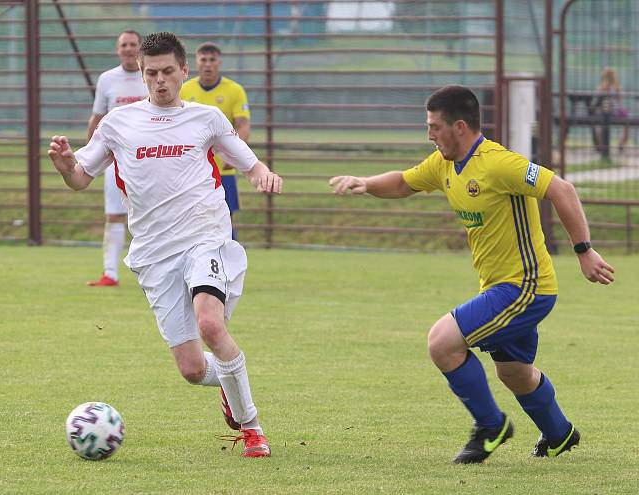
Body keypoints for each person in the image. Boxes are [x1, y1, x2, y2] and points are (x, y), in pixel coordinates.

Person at [329, 85, 615, 464]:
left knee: (442, 342)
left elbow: (562, 189)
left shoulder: (498, 163)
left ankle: (491, 426)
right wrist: (365, 184)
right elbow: (403, 182)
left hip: (525, 287)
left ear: (459, 126)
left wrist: (584, 250)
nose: (429, 135)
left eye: (434, 127)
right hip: (500, 286)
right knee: (514, 372)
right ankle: (560, 433)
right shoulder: (444, 163)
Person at [48, 32, 281, 457]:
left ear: (183, 71)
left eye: (168, 72)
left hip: (204, 237)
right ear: (141, 73)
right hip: (155, 254)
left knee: (212, 325)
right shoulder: (118, 124)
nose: (160, 81)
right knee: (192, 370)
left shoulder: (205, 118)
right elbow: (80, 177)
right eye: (151, 73)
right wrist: (65, 167)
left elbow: (248, 160)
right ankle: (228, 383)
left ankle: (252, 428)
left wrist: (262, 174)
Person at [86, 30, 148, 287]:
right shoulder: (107, 79)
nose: (129, 49)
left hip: (149, 159)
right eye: (124, 45)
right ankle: (110, 273)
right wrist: (91, 155)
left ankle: (151, 271)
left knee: (151, 215)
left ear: (140, 48)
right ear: (117, 49)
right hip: (116, 161)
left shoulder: (152, 76)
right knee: (114, 215)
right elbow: (97, 119)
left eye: (133, 44)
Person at [180, 42, 251, 240]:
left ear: (219, 62)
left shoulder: (234, 90)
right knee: (191, 220)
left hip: (222, 169)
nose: (208, 64)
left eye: (212, 60)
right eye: (203, 60)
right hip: (192, 169)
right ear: (196, 62)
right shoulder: (184, 90)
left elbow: (243, 126)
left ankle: (229, 266)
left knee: (224, 218)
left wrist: (235, 154)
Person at [591, 67, 630, 157]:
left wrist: (622, 110)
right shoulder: (605, 87)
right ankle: (609, 146)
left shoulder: (613, 87)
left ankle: (612, 145)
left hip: (610, 112)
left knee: (599, 127)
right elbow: (599, 102)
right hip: (607, 112)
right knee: (599, 127)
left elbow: (619, 103)